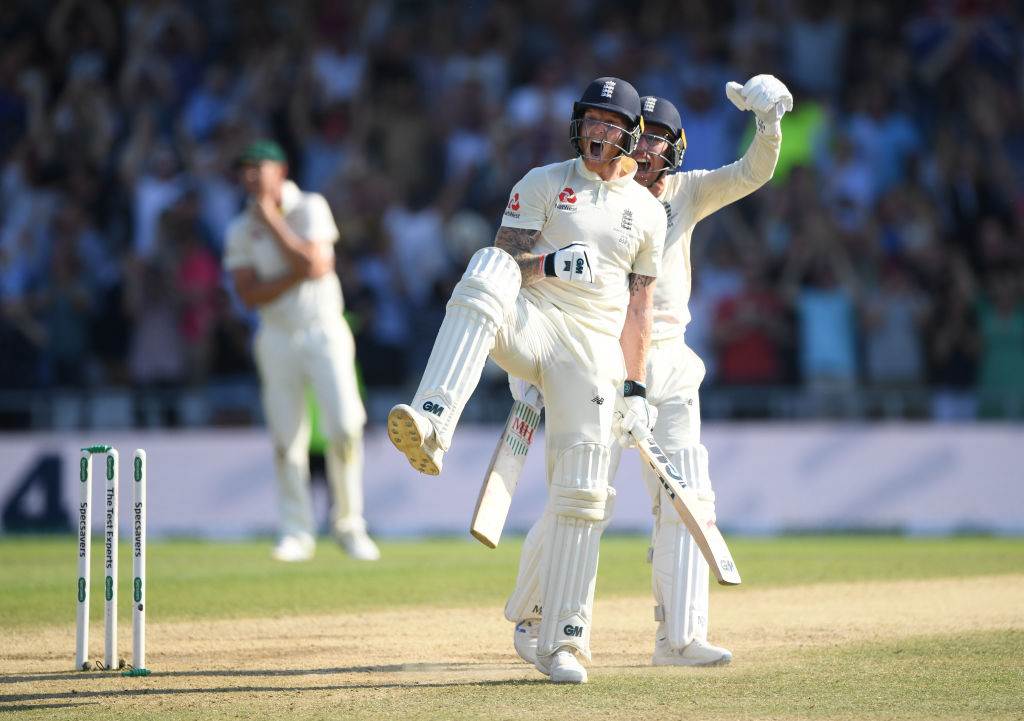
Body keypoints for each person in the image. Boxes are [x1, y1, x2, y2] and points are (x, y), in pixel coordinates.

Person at [387, 77, 667, 683]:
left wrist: (637, 390)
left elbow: (640, 308)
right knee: (484, 265)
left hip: (593, 351)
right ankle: (433, 420)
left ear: (632, 134)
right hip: (534, 319)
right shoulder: (542, 182)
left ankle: (560, 639)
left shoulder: (648, 212)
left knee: (584, 491)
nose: (596, 132)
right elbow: (509, 262)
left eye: (609, 124)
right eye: (589, 120)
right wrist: (549, 263)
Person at [508, 75, 792, 668]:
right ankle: (536, 616)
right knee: (582, 495)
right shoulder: (587, 192)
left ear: (674, 147)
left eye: (660, 139)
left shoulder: (684, 191)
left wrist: (768, 126)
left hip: (669, 355)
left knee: (687, 486)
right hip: (596, 354)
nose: (646, 150)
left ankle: (679, 637)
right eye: (644, 136)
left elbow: (752, 173)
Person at [223, 139, 379, 562]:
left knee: (346, 426)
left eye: (259, 166)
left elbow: (318, 266)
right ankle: (296, 531)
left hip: (323, 330)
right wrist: (298, 268)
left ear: (281, 169)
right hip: (275, 336)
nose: (251, 176)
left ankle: (349, 526)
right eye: (245, 169)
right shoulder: (238, 229)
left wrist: (272, 223)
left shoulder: (310, 205)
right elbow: (249, 295)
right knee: (286, 438)